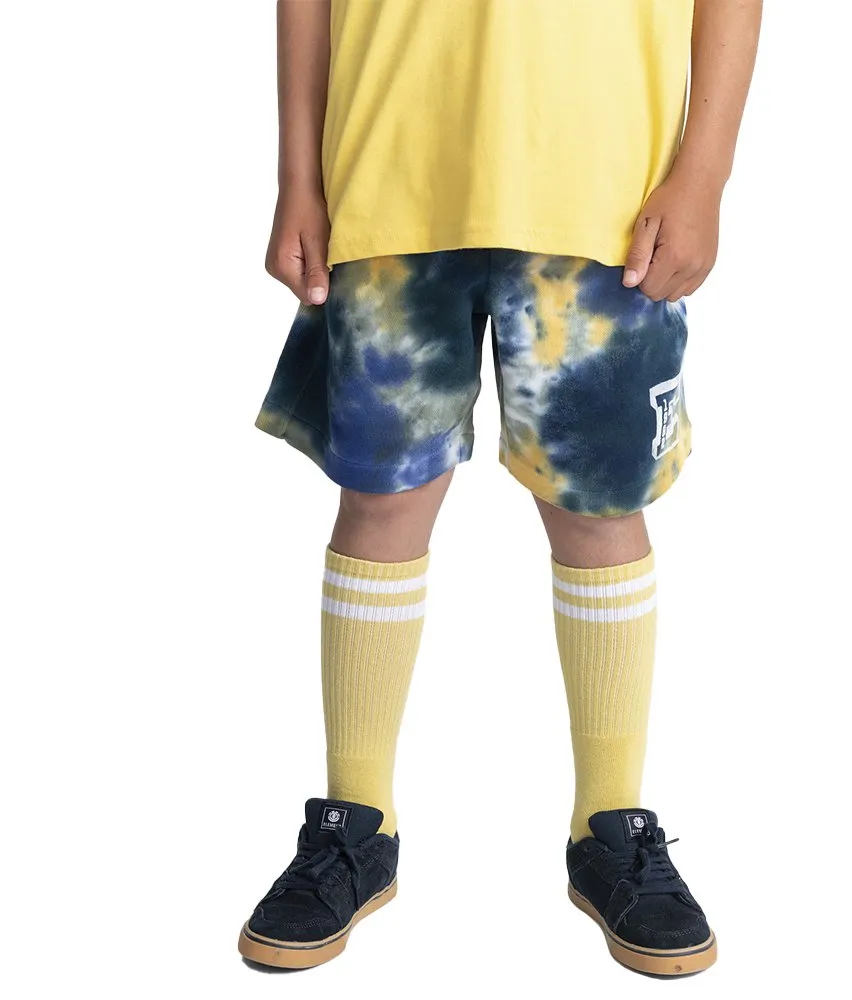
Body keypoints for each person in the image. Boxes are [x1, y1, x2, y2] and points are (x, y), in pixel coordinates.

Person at [238, 0, 761, 977]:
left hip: (604, 191)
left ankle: (609, 822)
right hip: (389, 166)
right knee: (382, 500)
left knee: (598, 508)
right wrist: (296, 174)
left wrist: (707, 172)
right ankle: (357, 819)